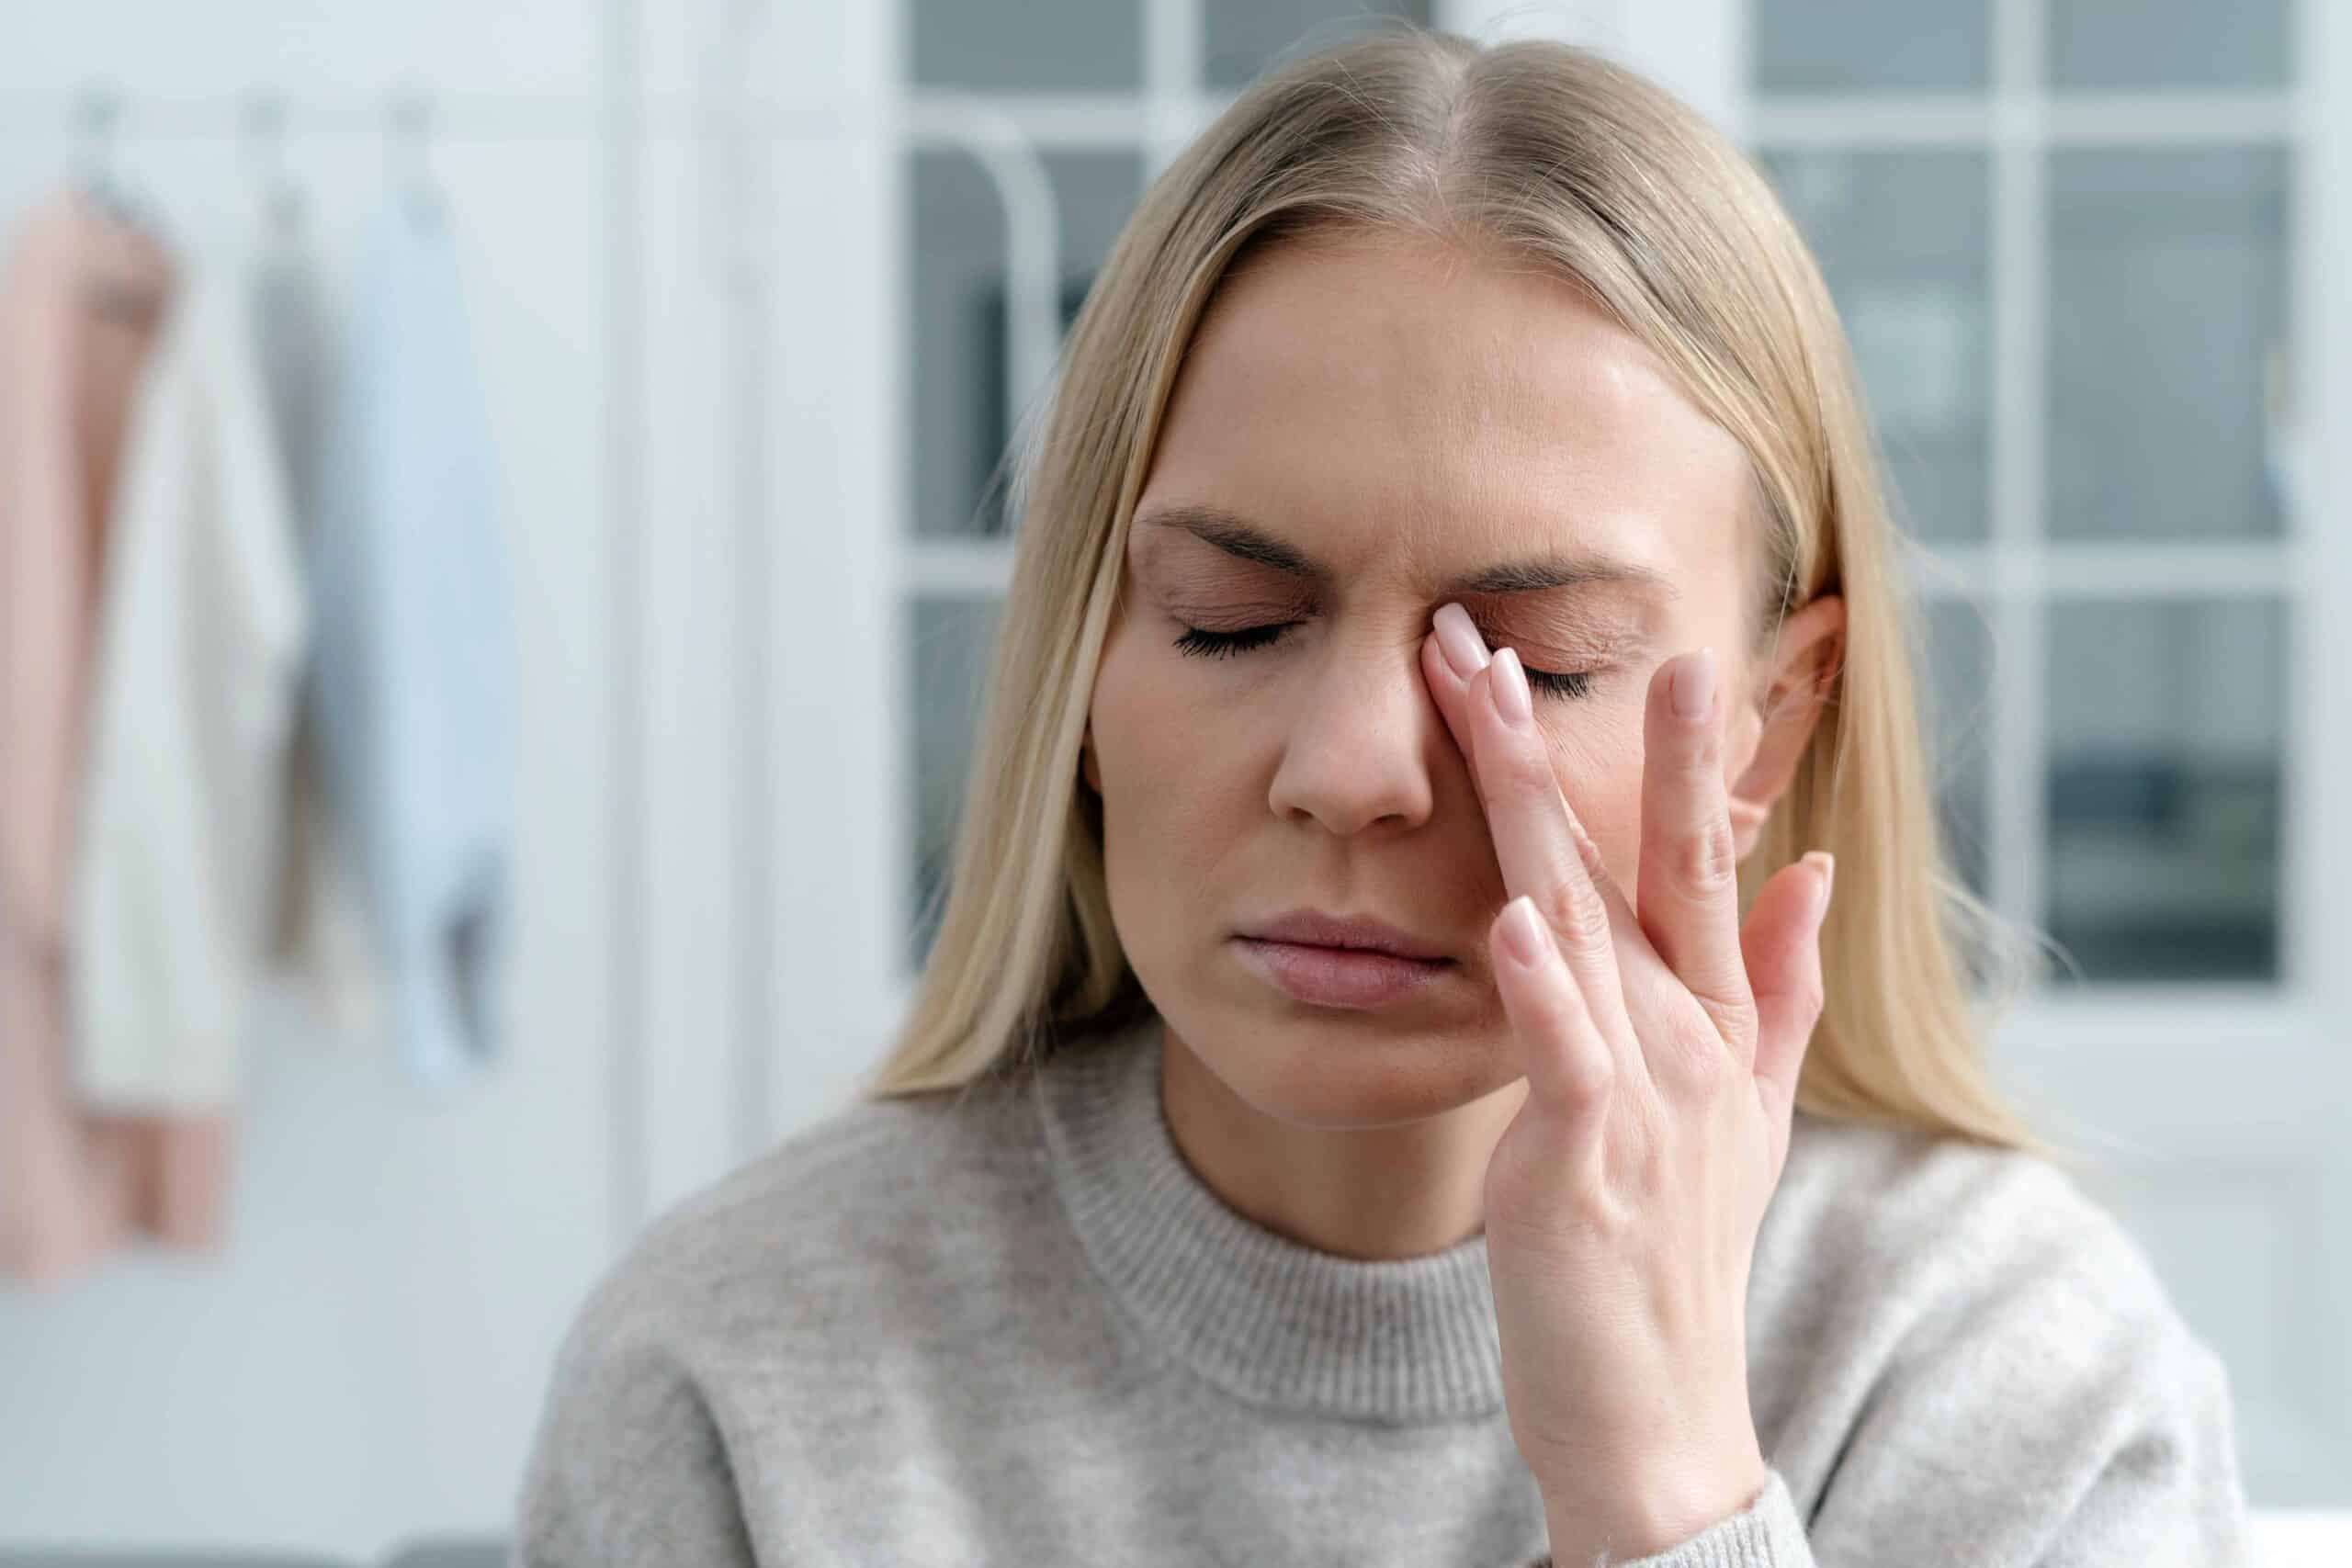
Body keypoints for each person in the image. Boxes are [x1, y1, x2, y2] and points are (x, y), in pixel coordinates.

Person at [513, 26, 2248, 1567]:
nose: (1350, 771)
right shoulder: (732, 1374)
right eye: (1232, 623)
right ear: (1085, 677)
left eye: (1538, 659)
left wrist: (1666, 1492)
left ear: (1767, 727)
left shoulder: (2008, 1372)